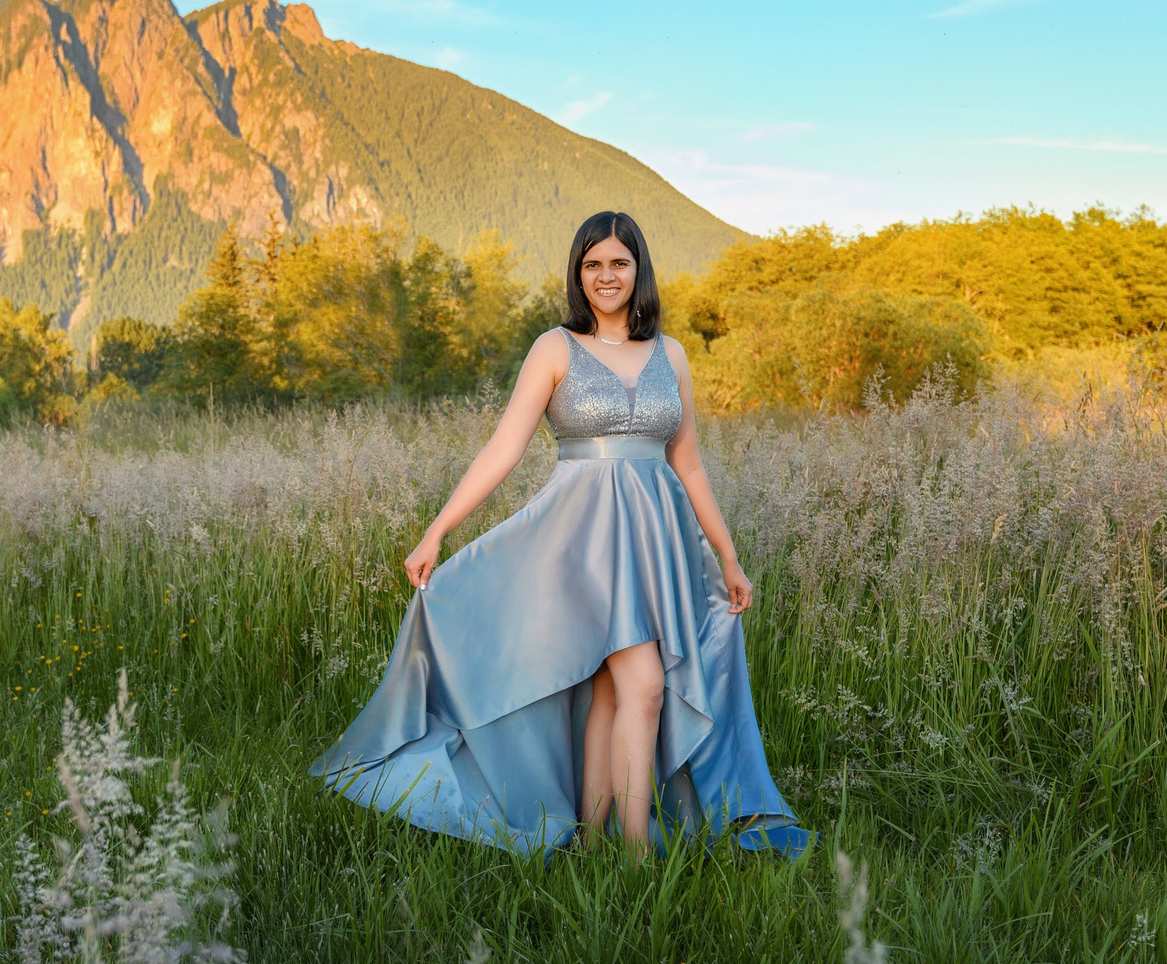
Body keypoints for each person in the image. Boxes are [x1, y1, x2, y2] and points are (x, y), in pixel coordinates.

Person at [311, 211, 807, 856]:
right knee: (647, 686)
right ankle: (635, 858)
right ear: (579, 273)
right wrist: (437, 531)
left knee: (610, 691)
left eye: (619, 263)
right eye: (593, 264)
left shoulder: (671, 354)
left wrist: (728, 556)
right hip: (581, 545)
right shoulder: (555, 347)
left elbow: (686, 462)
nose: (606, 276)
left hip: (658, 545)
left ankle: (598, 845)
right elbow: (503, 449)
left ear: (639, 270)